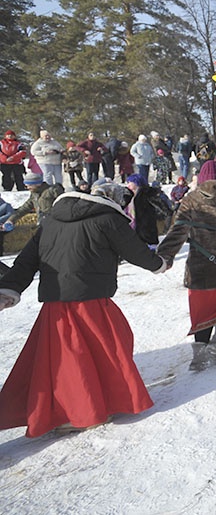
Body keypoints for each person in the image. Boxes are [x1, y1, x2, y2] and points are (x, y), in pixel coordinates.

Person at [0, 180, 169, 437]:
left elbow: (26, 261)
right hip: (90, 301)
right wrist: (159, 264)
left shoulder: (51, 220)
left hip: (55, 303)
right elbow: (136, 252)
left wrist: (8, 289)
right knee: (105, 350)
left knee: (66, 359)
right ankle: (82, 412)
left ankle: (74, 408)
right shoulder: (109, 220)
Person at [156, 165, 216, 371]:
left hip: (200, 267)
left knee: (203, 310)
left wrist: (165, 257)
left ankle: (199, 355)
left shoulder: (191, 199)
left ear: (200, 179)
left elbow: (178, 231)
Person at [124, 174, 171, 248]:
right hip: (134, 230)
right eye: (128, 182)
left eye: (130, 182)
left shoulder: (146, 193)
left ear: (137, 183)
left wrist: (159, 215)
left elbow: (163, 208)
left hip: (147, 229)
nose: (128, 185)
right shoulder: (128, 195)